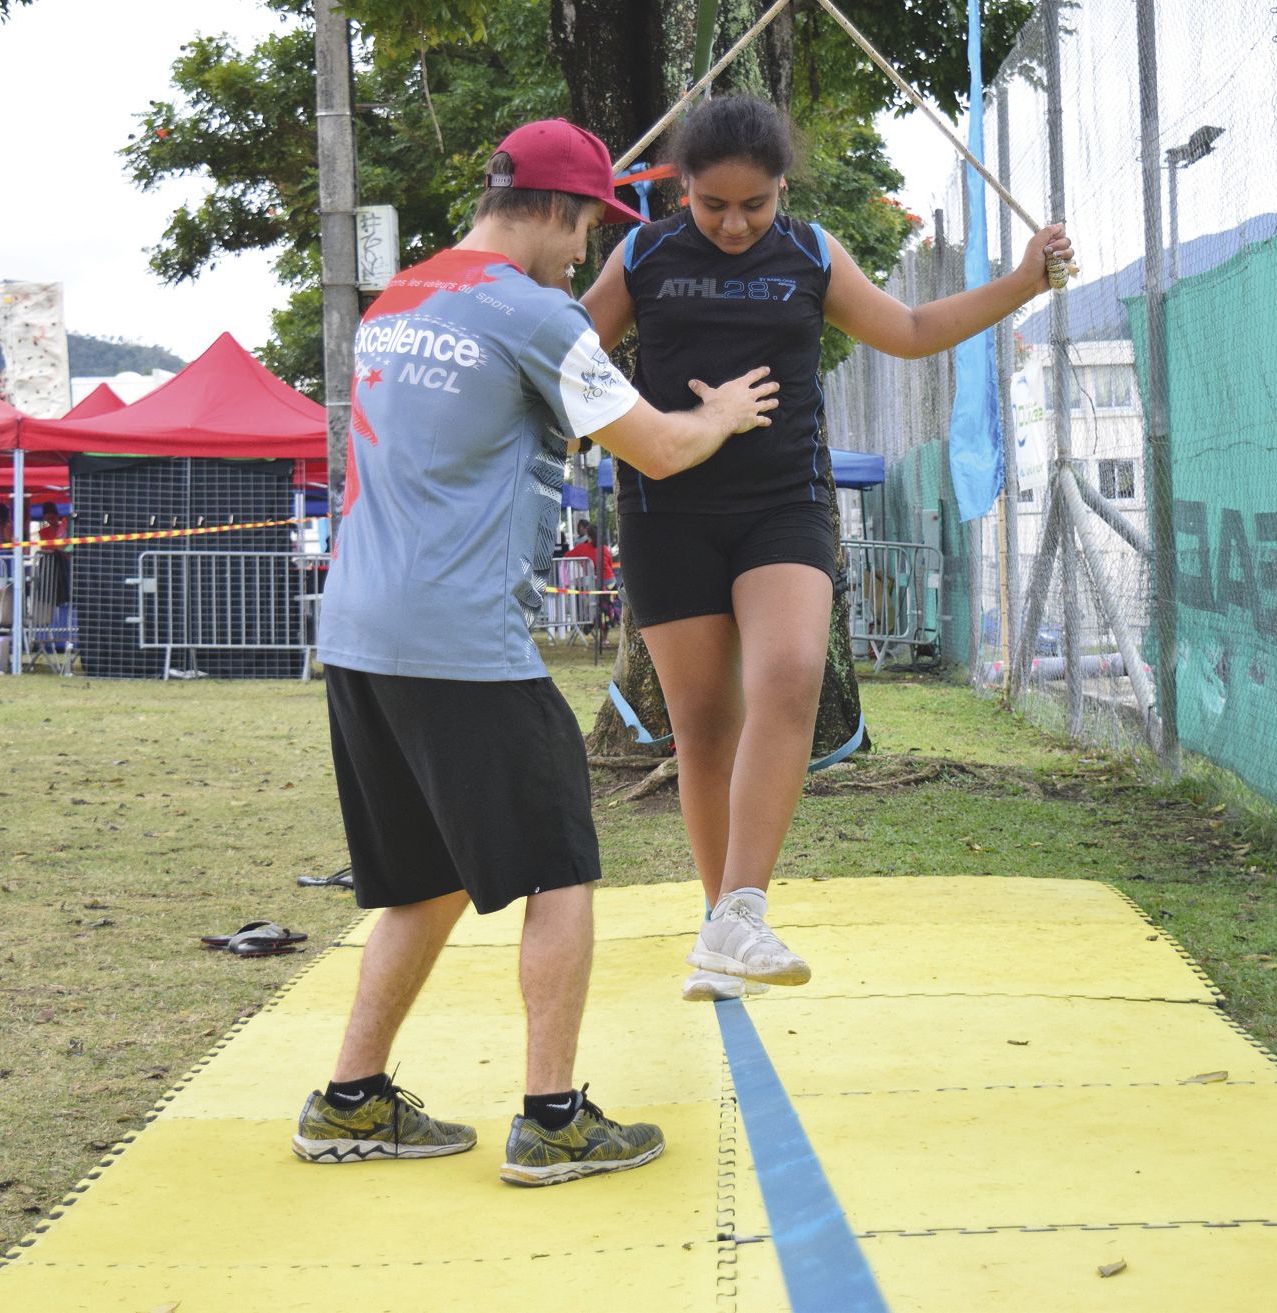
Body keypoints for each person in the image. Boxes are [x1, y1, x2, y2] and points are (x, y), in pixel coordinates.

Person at [299, 118, 779, 1183]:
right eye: (586, 233)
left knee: (420, 879)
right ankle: (553, 1116)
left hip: (358, 630)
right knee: (561, 864)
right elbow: (654, 443)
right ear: (558, 212)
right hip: (456, 634)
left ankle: (349, 1100)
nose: (588, 259)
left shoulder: (400, 299)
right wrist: (726, 414)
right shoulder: (535, 312)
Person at [582, 95, 1075, 1002]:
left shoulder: (808, 251)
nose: (735, 224)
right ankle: (720, 931)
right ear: (679, 187)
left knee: (791, 676)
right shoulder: (643, 252)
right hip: (665, 508)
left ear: (781, 191)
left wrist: (1024, 281)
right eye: (713, 205)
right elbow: (570, 348)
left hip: (784, 503)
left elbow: (911, 331)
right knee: (699, 724)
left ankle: (743, 904)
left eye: (755, 205)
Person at [565, 518, 618, 641]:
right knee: (606, 611)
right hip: (610, 582)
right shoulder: (604, 548)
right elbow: (610, 564)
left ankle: (591, 625)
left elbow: (567, 556)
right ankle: (603, 636)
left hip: (598, 584)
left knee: (595, 608)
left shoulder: (583, 548)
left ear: (588, 536)